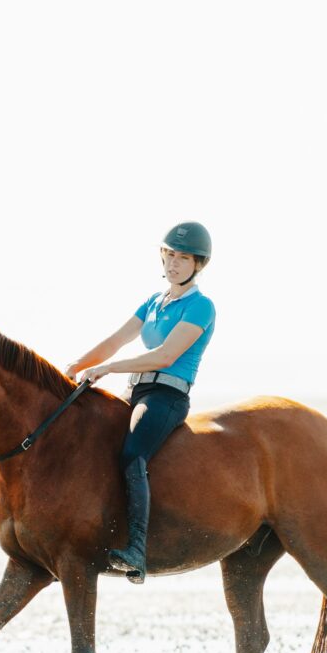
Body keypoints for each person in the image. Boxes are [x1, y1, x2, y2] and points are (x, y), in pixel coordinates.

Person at [65, 222, 216, 584]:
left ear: (198, 265)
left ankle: (136, 548)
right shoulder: (153, 302)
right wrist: (75, 366)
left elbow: (164, 356)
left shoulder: (201, 307)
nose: (175, 263)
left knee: (134, 454)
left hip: (167, 395)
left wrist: (108, 369)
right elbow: (115, 340)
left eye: (184, 258)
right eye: (171, 255)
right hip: (136, 389)